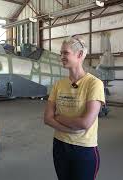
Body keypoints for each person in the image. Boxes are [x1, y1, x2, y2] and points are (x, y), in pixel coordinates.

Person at [44, 35, 105, 180]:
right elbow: (47, 118)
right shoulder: (58, 85)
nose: (61, 57)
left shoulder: (94, 84)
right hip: (60, 145)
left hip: (84, 149)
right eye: (61, 53)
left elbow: (85, 123)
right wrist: (69, 128)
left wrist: (58, 118)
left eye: (65, 53)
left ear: (79, 55)